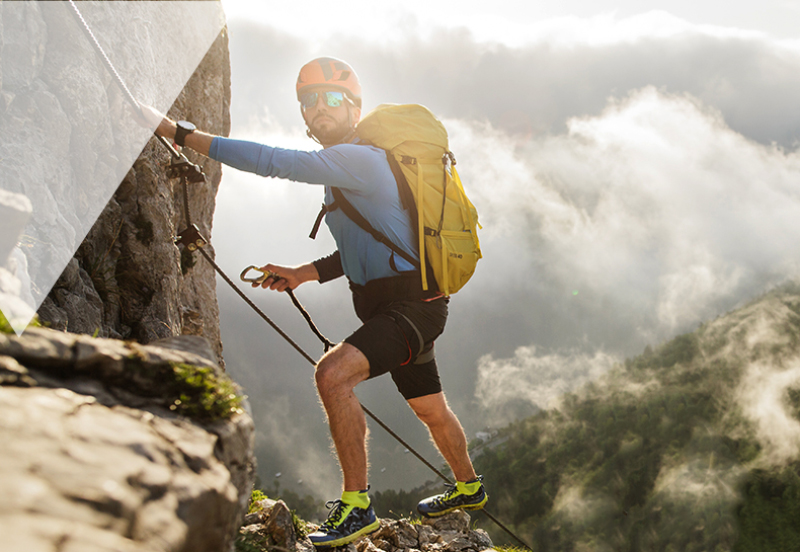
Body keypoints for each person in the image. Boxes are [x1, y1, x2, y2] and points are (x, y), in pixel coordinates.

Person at [138, 57, 487, 548]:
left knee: (332, 375)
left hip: (411, 309)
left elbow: (273, 161)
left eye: (332, 98)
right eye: (309, 100)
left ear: (354, 107)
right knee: (431, 409)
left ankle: (356, 507)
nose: (319, 108)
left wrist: (179, 132)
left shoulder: (357, 159)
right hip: (412, 304)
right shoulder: (351, 165)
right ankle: (470, 488)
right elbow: (367, 244)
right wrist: (305, 273)